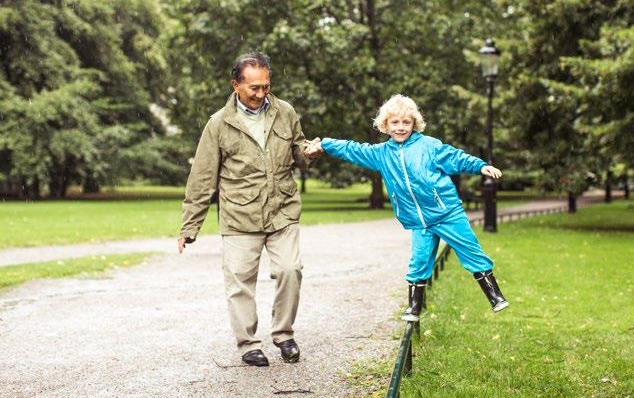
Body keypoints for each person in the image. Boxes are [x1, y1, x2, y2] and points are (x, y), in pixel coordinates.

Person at [304, 94, 508, 321]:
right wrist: (325, 145)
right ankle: (414, 308)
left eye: (406, 122)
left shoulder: (429, 146)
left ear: (414, 123)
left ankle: (495, 296)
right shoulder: (380, 154)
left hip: (447, 213)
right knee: (419, 261)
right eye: (395, 123)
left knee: (471, 252)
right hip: (418, 220)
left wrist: (481, 167)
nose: (401, 128)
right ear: (386, 125)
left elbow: (456, 158)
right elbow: (353, 149)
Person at [178, 51, 317, 367]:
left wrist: (310, 153)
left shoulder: (285, 112)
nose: (261, 93)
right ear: (235, 85)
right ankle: (248, 344)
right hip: (240, 216)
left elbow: (299, 153)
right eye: (254, 87)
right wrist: (190, 226)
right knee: (240, 283)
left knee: (290, 271)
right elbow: (202, 177)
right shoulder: (218, 123)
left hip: (282, 209)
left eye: (265, 86)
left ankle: (284, 335)